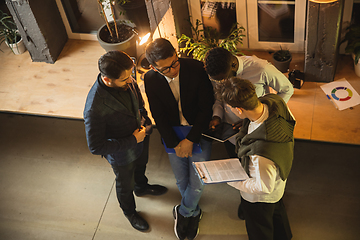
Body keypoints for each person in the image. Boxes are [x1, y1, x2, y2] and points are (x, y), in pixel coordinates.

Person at [204, 47, 294, 219]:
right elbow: (219, 99)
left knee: (261, 177)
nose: (221, 82)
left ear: (232, 64)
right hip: (232, 136)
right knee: (240, 170)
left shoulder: (261, 69)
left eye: (224, 78)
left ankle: (272, 204)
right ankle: (247, 202)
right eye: (217, 81)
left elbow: (287, 89)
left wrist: (261, 117)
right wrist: (217, 116)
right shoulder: (217, 72)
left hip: (258, 134)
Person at [83, 50, 167, 232]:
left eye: (130, 76)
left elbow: (138, 102)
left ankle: (142, 186)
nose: (130, 81)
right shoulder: (94, 108)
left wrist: (146, 120)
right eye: (124, 79)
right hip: (122, 153)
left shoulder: (126, 79)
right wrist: (133, 140)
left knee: (141, 165)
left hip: (141, 136)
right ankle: (129, 211)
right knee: (125, 184)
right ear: (107, 80)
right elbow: (96, 146)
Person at [144, 38, 214, 240]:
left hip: (198, 131)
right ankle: (193, 211)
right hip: (172, 134)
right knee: (182, 179)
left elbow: (205, 109)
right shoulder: (150, 79)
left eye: (175, 62)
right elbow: (158, 115)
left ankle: (184, 213)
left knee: (199, 181)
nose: (174, 70)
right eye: (166, 69)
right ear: (154, 68)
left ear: (176, 54)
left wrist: (191, 139)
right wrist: (174, 143)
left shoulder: (196, 68)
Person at [215, 77, 295, 240]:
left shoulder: (260, 152)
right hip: (280, 180)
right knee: (277, 214)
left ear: (238, 109)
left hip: (259, 198)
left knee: (259, 229)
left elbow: (263, 187)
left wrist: (231, 179)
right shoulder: (275, 101)